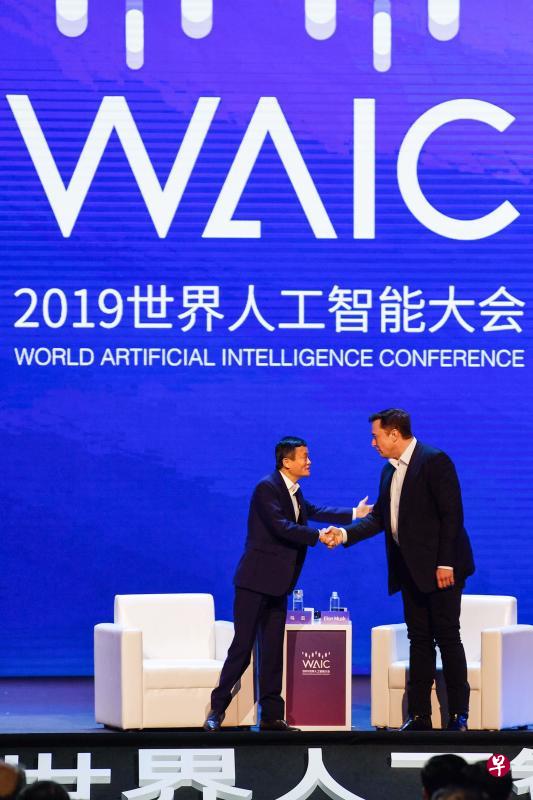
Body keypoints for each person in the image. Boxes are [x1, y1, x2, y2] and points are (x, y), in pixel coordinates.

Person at [204, 436, 371, 731]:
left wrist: (354, 514)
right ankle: (217, 710)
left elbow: (314, 510)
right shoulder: (267, 488)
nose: (309, 461)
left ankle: (271, 717)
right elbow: (281, 527)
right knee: (242, 648)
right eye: (304, 457)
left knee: (272, 652)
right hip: (254, 583)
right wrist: (318, 535)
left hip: (279, 585)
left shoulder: (293, 490)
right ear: (286, 462)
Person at [324, 409, 474, 731]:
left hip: (442, 570)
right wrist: (345, 534)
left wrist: (445, 562)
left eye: (376, 436)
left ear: (394, 434)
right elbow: (380, 518)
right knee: (418, 640)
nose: (373, 443)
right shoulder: (388, 471)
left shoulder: (434, 460)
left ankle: (458, 714)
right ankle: (419, 716)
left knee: (448, 637)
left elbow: (452, 515)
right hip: (410, 571)